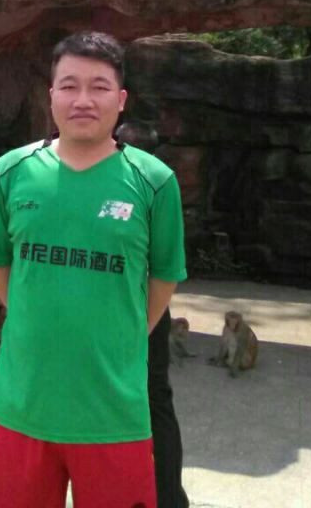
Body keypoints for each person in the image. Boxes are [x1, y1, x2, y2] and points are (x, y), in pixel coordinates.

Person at [0, 32, 187, 508]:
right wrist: (36, 314)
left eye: (99, 87)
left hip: (114, 413)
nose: (83, 100)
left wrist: (124, 332)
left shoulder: (155, 183)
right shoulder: (11, 172)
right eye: (69, 86)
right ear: (51, 95)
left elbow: (163, 276)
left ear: (121, 99)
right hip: (22, 406)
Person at [116, 122, 191, 508]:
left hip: (136, 309)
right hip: (147, 309)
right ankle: (167, 496)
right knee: (155, 399)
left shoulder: (143, 187)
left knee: (150, 398)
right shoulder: (159, 186)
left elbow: (163, 269)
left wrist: (141, 327)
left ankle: (165, 496)